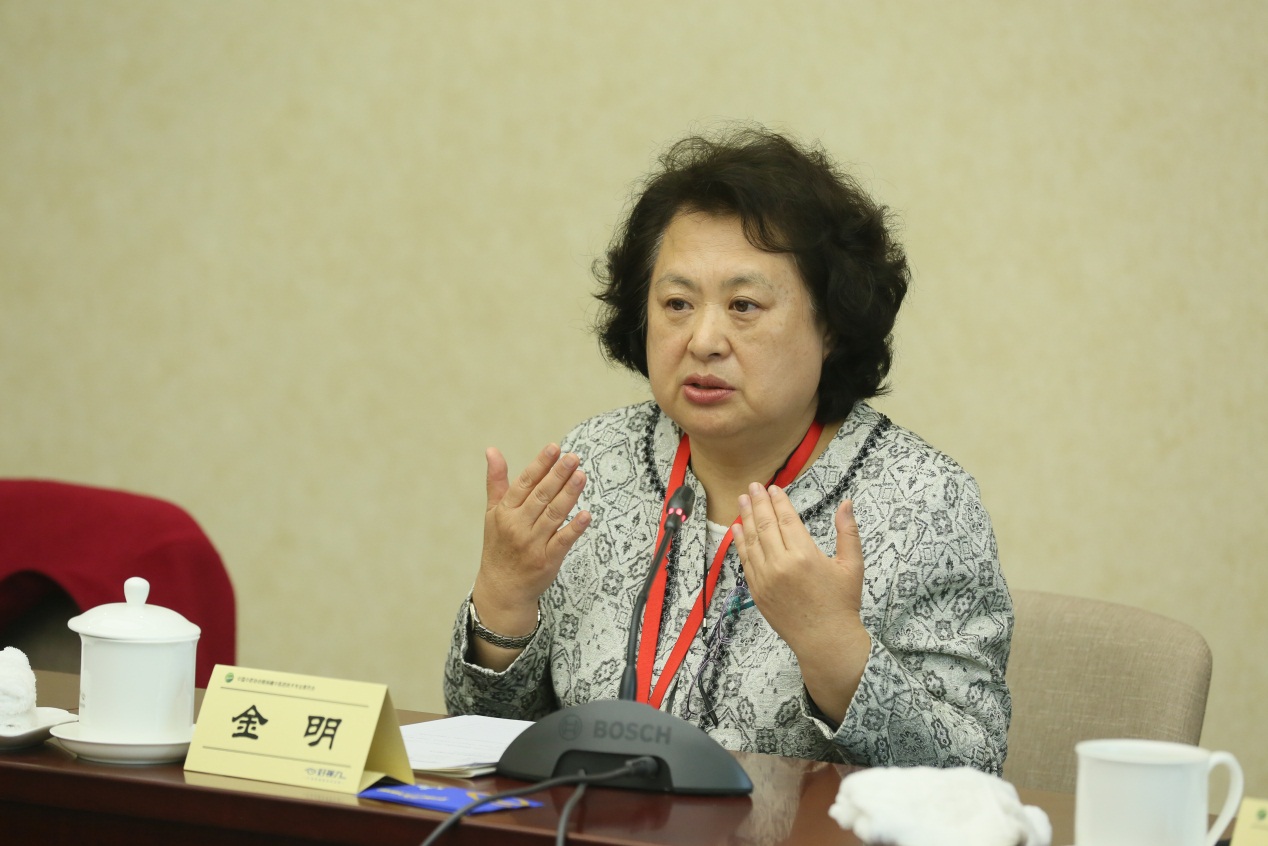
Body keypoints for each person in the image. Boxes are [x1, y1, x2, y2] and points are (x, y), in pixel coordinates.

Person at [443, 125, 1012, 773]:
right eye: (677, 303)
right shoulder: (595, 462)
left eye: (743, 305)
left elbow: (973, 768)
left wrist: (831, 644)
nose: (704, 340)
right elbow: (484, 741)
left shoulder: (924, 500)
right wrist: (504, 603)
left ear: (831, 324)